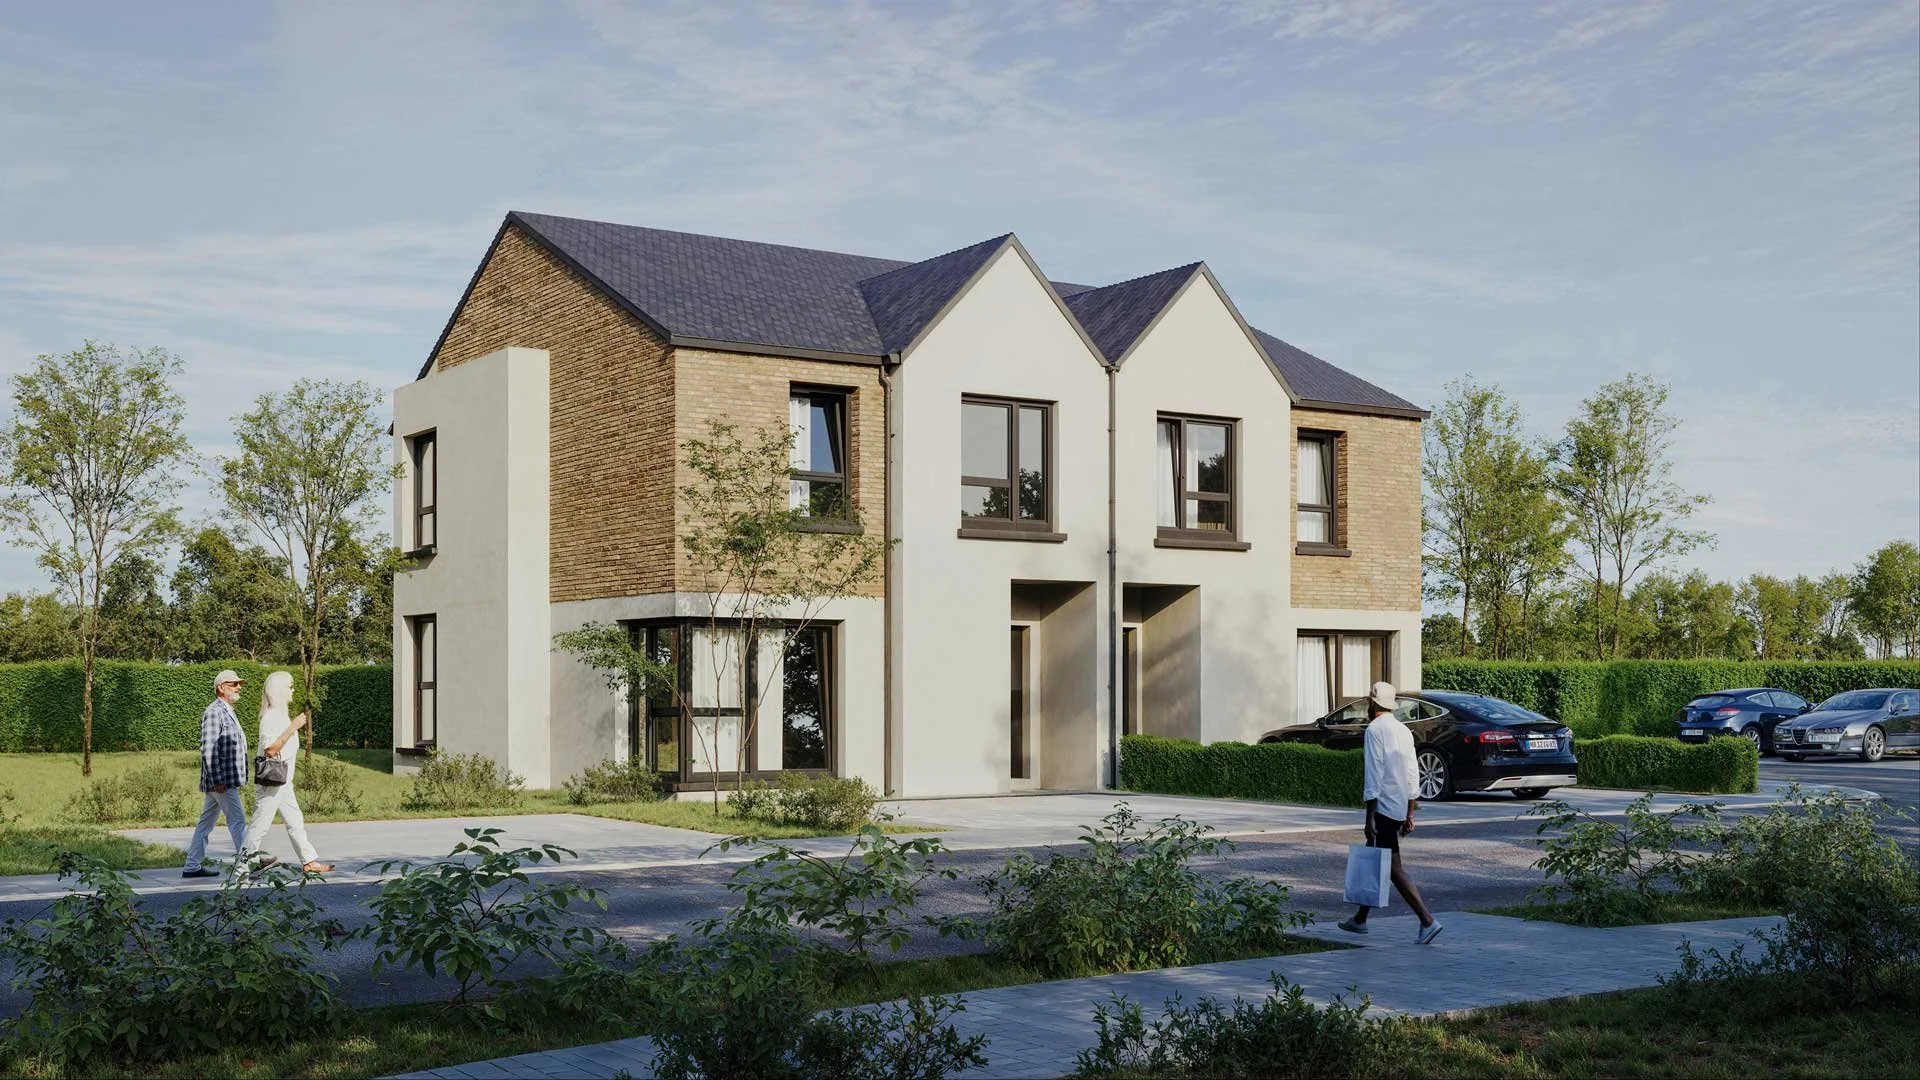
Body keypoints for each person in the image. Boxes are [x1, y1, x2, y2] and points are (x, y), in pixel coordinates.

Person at [1338, 680, 1443, 944]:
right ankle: (1360, 919)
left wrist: (1368, 816)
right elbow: (1412, 774)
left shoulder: (1374, 730)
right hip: (1397, 807)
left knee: (1393, 868)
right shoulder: (1403, 730)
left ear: (1372, 703)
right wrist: (1410, 813)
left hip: (1382, 807)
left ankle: (1427, 920)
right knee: (1377, 860)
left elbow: (1374, 774)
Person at [240, 670, 333, 874]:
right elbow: (270, 750)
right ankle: (241, 868)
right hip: (272, 783)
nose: (293, 689)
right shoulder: (272, 717)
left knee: (295, 821)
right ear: (279, 690)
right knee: (259, 826)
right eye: (290, 686)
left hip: (283, 782)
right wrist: (293, 727)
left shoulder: (280, 715)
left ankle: (309, 861)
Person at [183, 669, 250, 878]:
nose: (239, 687)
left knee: (206, 823)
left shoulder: (228, 710)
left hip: (224, 780)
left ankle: (192, 866)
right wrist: (218, 779)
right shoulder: (214, 711)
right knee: (238, 820)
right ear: (221, 688)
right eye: (233, 683)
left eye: (239, 683)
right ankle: (249, 862)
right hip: (221, 782)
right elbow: (209, 748)